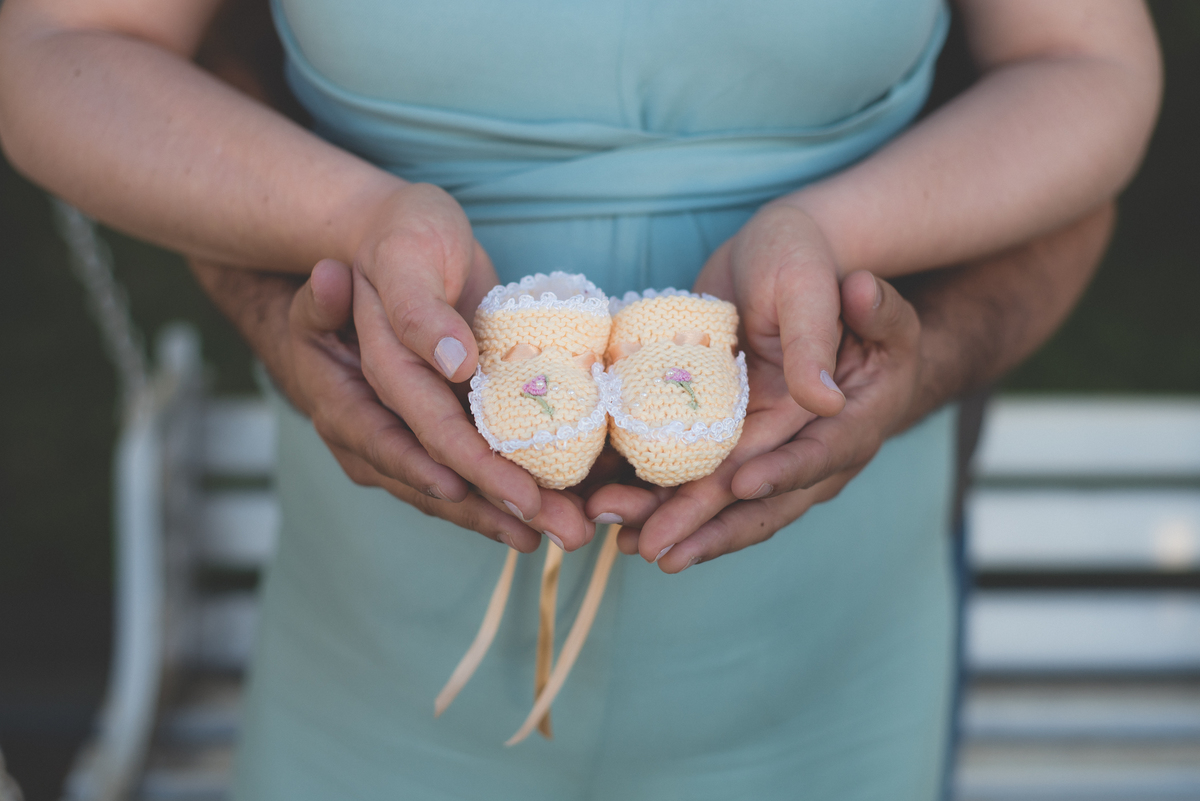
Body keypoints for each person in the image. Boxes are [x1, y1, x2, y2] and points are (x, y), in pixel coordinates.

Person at [0, 1, 1159, 798]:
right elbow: (55, 42)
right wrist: (348, 221)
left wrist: (840, 237)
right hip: (373, 672)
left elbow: (1089, 61)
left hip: (831, 662)